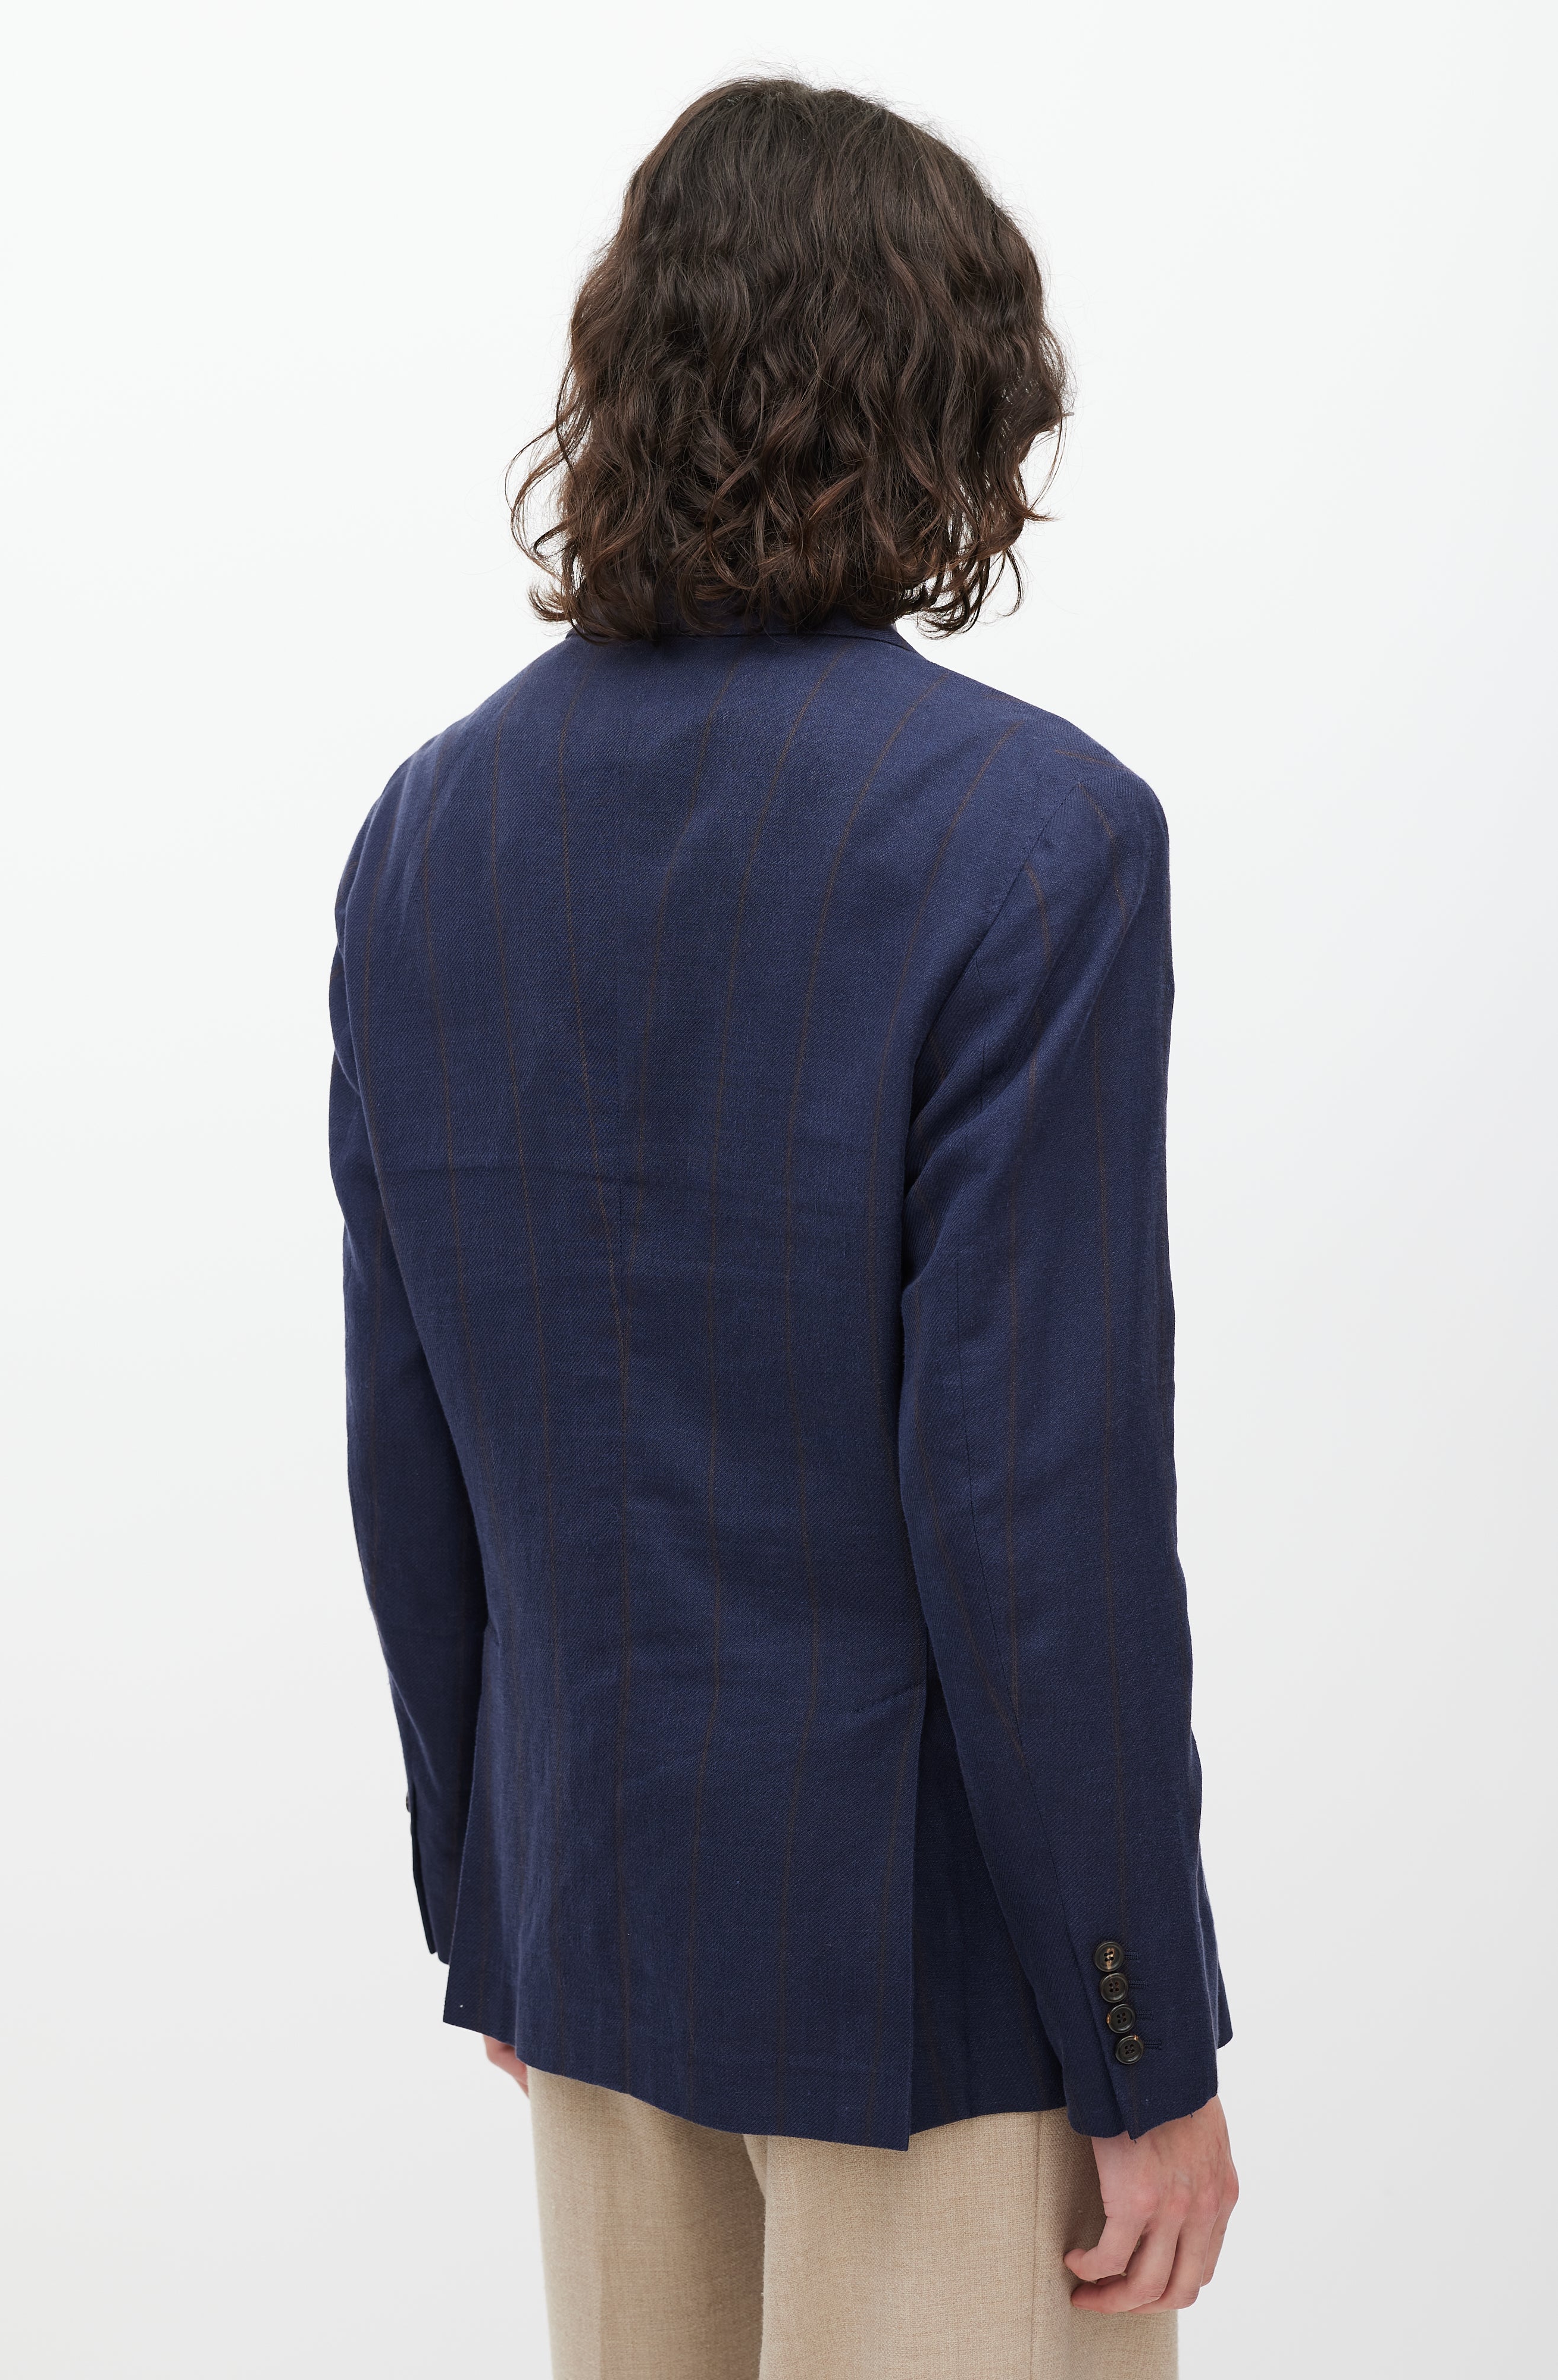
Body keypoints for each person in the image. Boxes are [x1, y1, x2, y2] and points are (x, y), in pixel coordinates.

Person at [329, 76, 1237, 2380]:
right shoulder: (1031, 839)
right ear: (945, 405)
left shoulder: (427, 836)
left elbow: (405, 1438)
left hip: (594, 1928)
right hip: (924, 1991)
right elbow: (1031, 1506)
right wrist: (1142, 2038)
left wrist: (490, 1891)